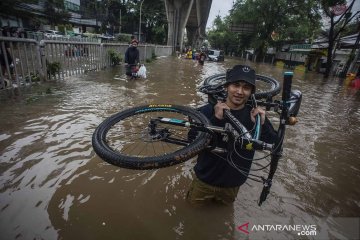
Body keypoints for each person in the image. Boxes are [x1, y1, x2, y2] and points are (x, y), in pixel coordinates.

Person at [187, 65, 278, 205]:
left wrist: (263, 123)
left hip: (233, 186)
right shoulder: (207, 110)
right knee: (192, 213)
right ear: (226, 87)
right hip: (204, 181)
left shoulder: (255, 116)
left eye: (246, 87)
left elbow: (275, 145)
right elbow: (191, 140)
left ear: (251, 92)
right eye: (236, 85)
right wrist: (215, 119)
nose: (240, 91)